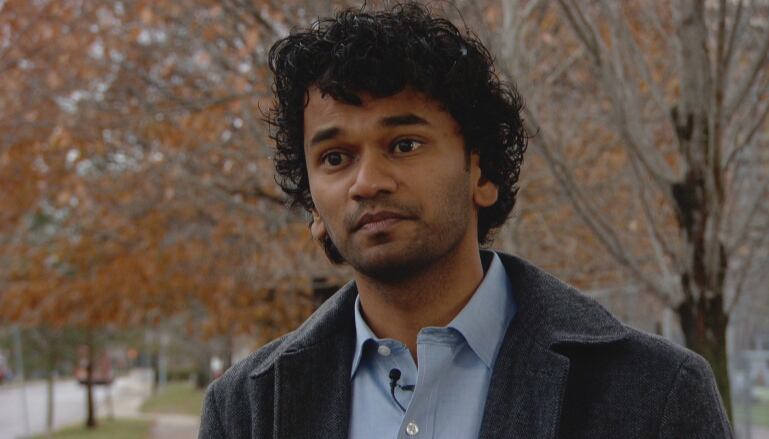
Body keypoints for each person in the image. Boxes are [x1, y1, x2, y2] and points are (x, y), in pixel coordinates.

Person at [199, 3, 733, 438]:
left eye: (403, 144)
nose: (367, 181)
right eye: (335, 157)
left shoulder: (654, 394)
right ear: (314, 206)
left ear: (481, 173)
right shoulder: (247, 412)